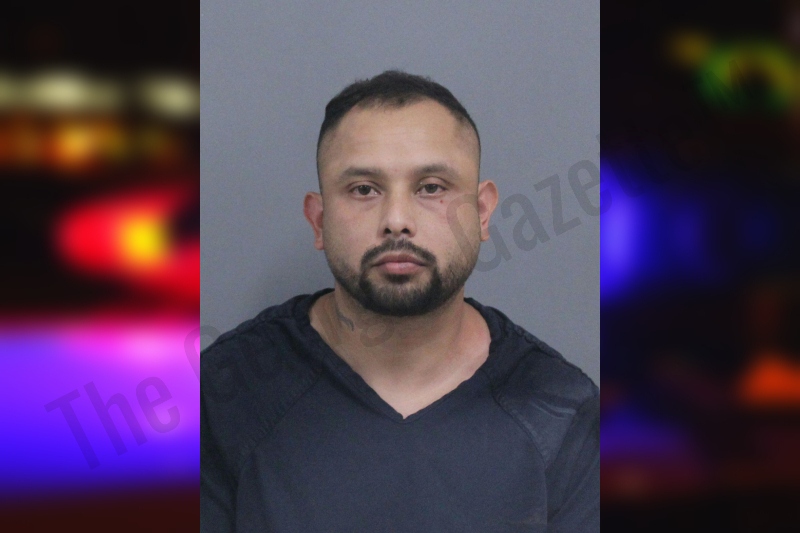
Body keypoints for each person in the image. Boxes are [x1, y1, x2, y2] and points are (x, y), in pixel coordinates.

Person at [201, 70, 599, 532]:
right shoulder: (225, 395)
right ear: (319, 221)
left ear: (482, 213)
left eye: (431, 187)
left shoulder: (560, 409)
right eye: (363, 189)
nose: (396, 219)